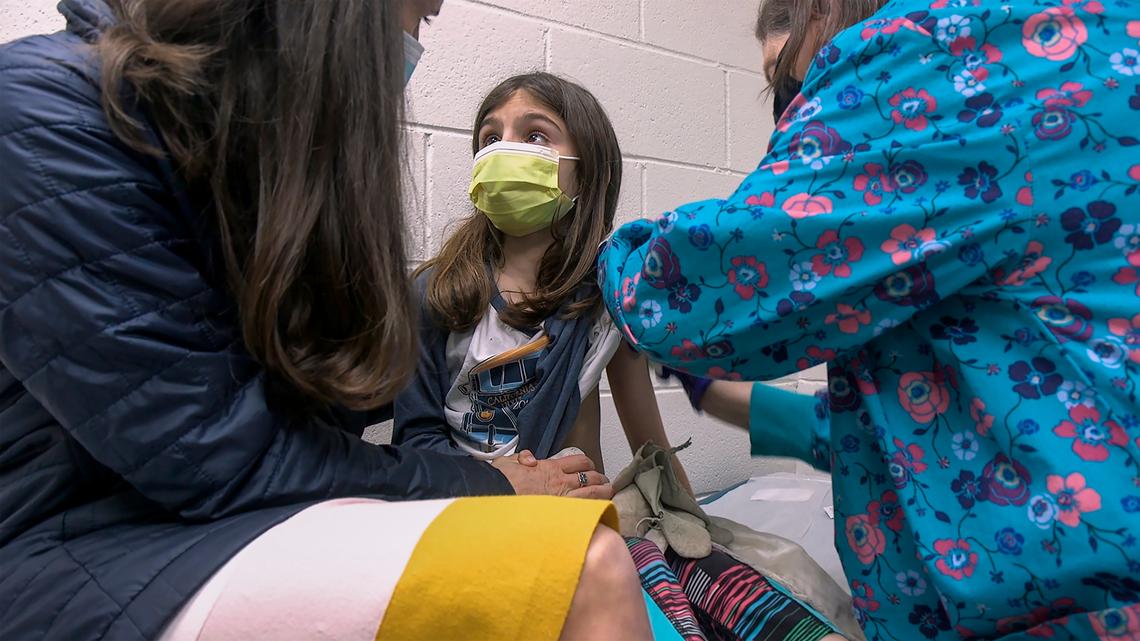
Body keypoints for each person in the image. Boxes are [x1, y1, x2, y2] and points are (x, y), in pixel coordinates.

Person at [0, 1, 653, 639]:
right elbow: (224, 457)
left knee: (589, 541)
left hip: (221, 513)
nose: (411, 54)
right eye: (418, 17)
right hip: (90, 547)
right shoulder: (47, 117)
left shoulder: (259, 175)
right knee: (579, 571)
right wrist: (493, 482)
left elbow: (315, 418)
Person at [599, 0, 1140, 638]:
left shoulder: (924, 55)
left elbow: (681, 295)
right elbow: (960, 410)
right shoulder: (1097, 41)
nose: (793, 106)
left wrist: (606, 262)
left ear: (822, 14)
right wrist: (712, 393)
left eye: (786, 79)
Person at [395, 72, 691, 490]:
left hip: (579, 523)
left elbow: (651, 444)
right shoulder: (434, 292)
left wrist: (693, 523)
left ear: (587, 169)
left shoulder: (607, 297)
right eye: (491, 138)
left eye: (535, 136)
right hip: (465, 511)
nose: (505, 149)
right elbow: (414, 443)